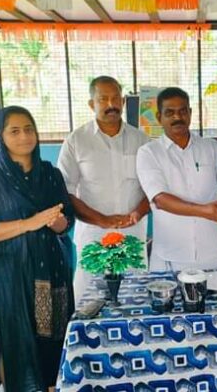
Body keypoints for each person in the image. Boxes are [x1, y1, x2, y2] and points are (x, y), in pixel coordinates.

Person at [0, 106, 75, 392]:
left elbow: (67, 221)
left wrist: (57, 223)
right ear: (0, 136)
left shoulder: (50, 174)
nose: (24, 136)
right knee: (15, 340)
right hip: (10, 274)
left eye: (29, 129)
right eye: (14, 131)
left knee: (53, 337)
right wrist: (29, 223)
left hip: (52, 270)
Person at [57, 76, 150, 303]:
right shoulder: (76, 141)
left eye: (116, 98)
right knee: (88, 302)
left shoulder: (142, 140)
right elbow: (65, 192)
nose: (111, 104)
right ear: (92, 104)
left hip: (132, 236)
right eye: (103, 99)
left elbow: (153, 187)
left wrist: (138, 212)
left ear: (123, 101)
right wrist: (102, 220)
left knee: (135, 298)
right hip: (93, 238)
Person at [136, 87, 217, 271]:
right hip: (168, 258)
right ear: (159, 117)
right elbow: (160, 199)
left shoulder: (211, 147)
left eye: (182, 111)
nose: (177, 117)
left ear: (190, 113)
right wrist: (204, 210)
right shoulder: (149, 153)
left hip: (210, 255)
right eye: (169, 113)